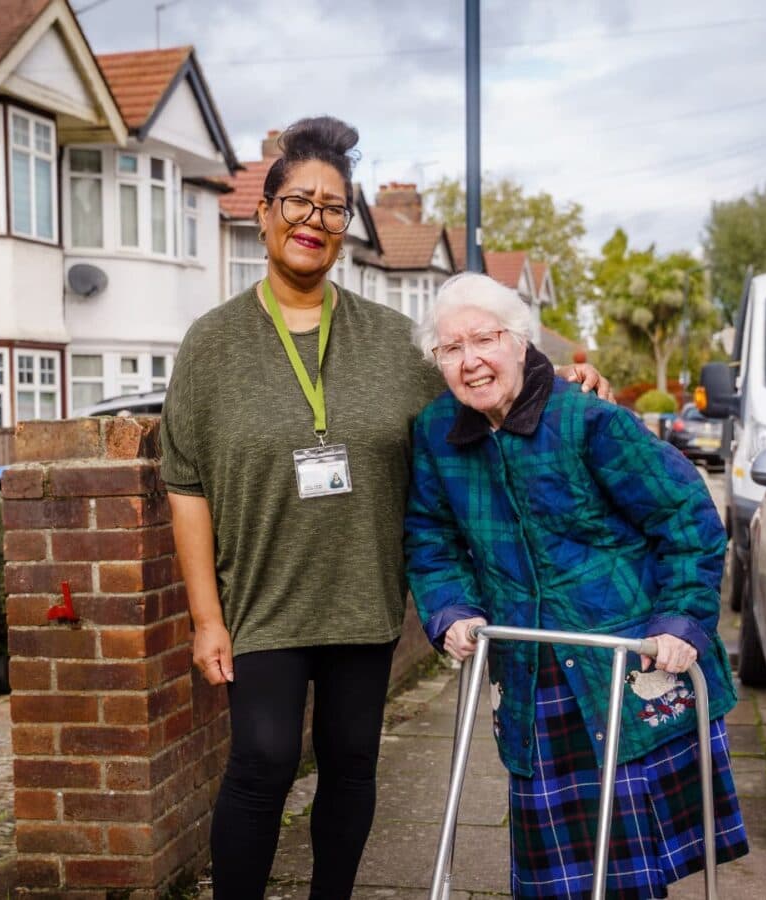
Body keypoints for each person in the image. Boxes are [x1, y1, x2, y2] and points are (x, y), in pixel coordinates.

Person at [160, 117, 612, 900]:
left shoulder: (395, 342)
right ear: (263, 212)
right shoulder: (211, 343)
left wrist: (569, 390)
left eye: (334, 209)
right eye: (299, 201)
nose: (315, 221)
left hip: (366, 600)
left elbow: (485, 388)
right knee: (262, 760)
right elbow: (185, 483)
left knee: (350, 764)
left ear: (346, 230)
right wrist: (207, 617)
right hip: (262, 599)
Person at [404, 272, 749, 899]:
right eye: (451, 349)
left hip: (627, 667)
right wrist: (451, 609)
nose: (471, 361)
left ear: (521, 342)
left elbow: (689, 519)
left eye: (485, 339)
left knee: (633, 873)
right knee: (558, 880)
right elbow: (432, 538)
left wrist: (680, 622)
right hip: (534, 674)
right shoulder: (435, 435)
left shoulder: (590, 422)